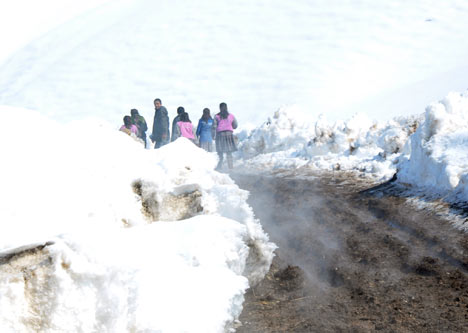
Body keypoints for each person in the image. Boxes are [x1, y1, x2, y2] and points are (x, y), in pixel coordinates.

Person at [214, 102, 238, 169]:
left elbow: (214, 126)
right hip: (229, 135)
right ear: (227, 107)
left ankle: (219, 168)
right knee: (229, 152)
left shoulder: (216, 116)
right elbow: (235, 125)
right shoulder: (231, 116)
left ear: (219, 108)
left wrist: (213, 135)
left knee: (220, 152)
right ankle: (231, 168)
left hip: (220, 135)